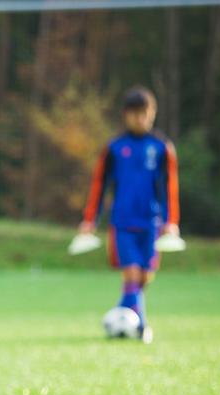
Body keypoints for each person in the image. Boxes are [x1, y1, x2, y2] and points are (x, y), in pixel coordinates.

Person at [79, 86, 180, 343]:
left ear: (153, 113)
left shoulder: (161, 148)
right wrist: (90, 219)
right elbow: (99, 185)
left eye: (145, 113)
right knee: (132, 273)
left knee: (145, 276)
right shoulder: (115, 148)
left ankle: (121, 316)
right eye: (135, 113)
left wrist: (171, 222)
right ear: (126, 115)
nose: (140, 118)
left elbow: (170, 188)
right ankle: (140, 326)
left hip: (151, 223)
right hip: (122, 222)